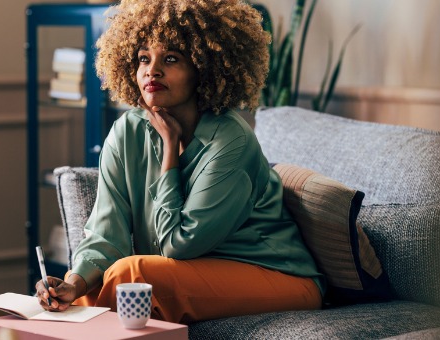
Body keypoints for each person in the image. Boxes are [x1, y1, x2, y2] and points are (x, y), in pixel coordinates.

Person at [36, 0, 325, 324]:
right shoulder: (127, 132)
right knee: (96, 285)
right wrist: (72, 284)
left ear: (204, 67)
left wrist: (170, 154)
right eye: (144, 58)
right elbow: (106, 235)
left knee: (132, 275)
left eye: (170, 59)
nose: (152, 70)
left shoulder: (232, 142)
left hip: (278, 277)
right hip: (191, 273)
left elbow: (178, 244)